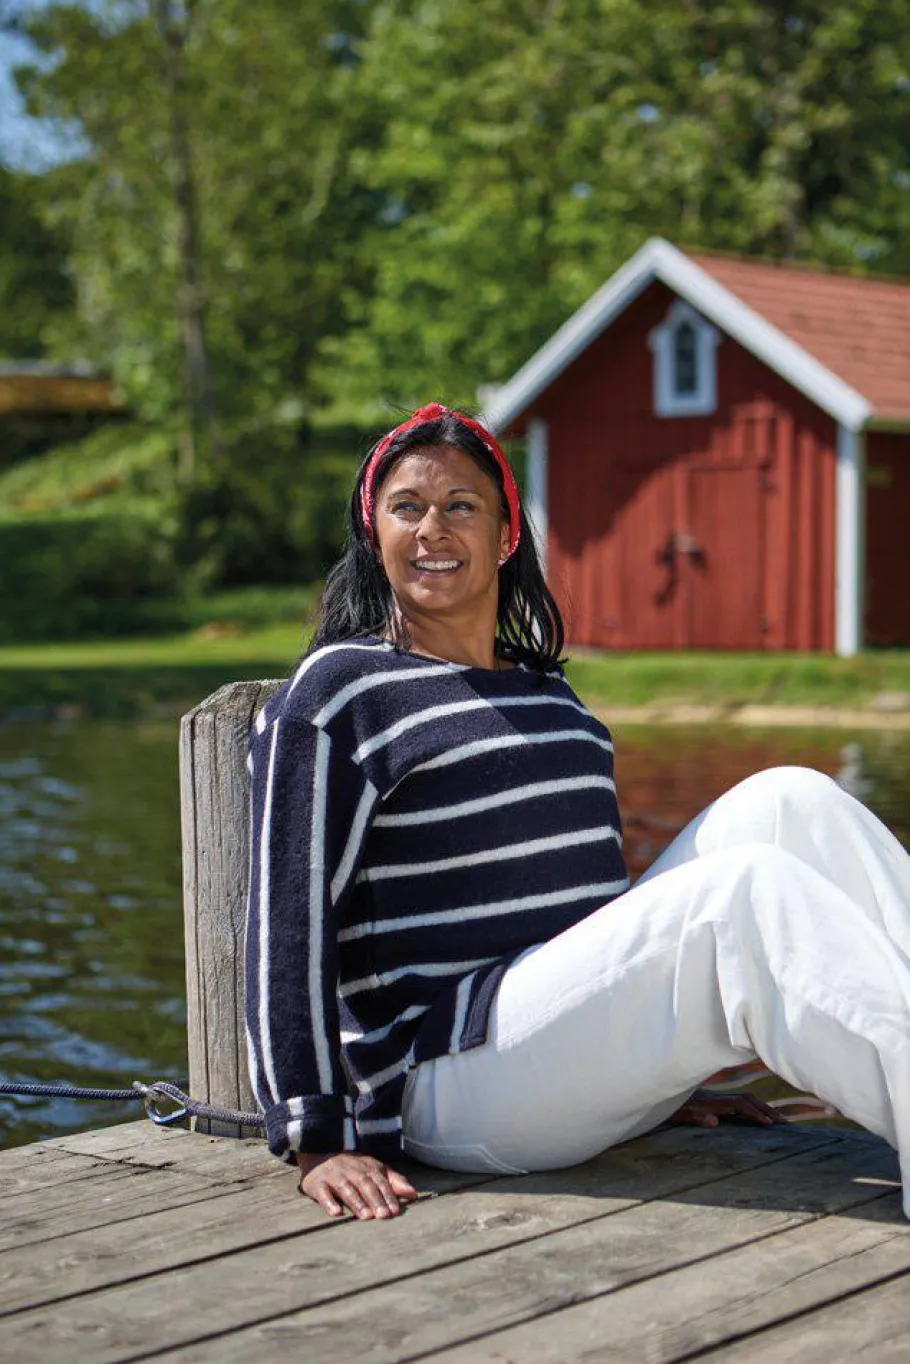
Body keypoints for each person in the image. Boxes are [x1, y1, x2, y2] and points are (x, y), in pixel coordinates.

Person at [245, 402, 910, 1223]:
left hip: (548, 1060)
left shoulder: (547, 693)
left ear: (505, 535)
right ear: (372, 532)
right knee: (743, 894)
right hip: (444, 1077)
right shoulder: (340, 691)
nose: (431, 529)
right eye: (405, 507)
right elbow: (287, 923)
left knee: (793, 800)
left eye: (460, 505)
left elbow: (586, 915)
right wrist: (313, 1134)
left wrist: (652, 1071)